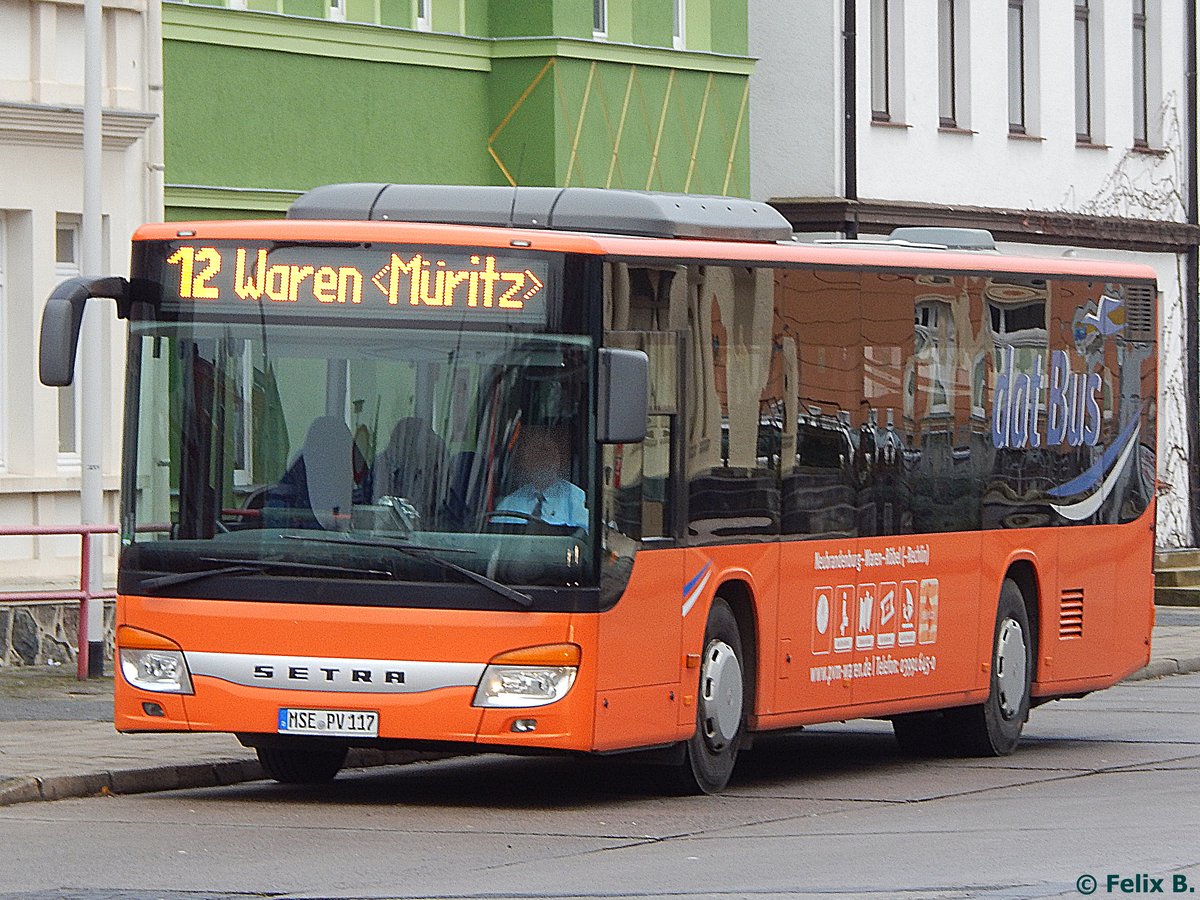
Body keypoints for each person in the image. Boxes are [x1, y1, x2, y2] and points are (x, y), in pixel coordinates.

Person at [495, 425, 588, 529]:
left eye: (547, 452)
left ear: (559, 459)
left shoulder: (576, 498)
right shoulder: (509, 504)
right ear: (524, 462)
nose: (543, 459)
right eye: (535, 453)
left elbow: (585, 536)